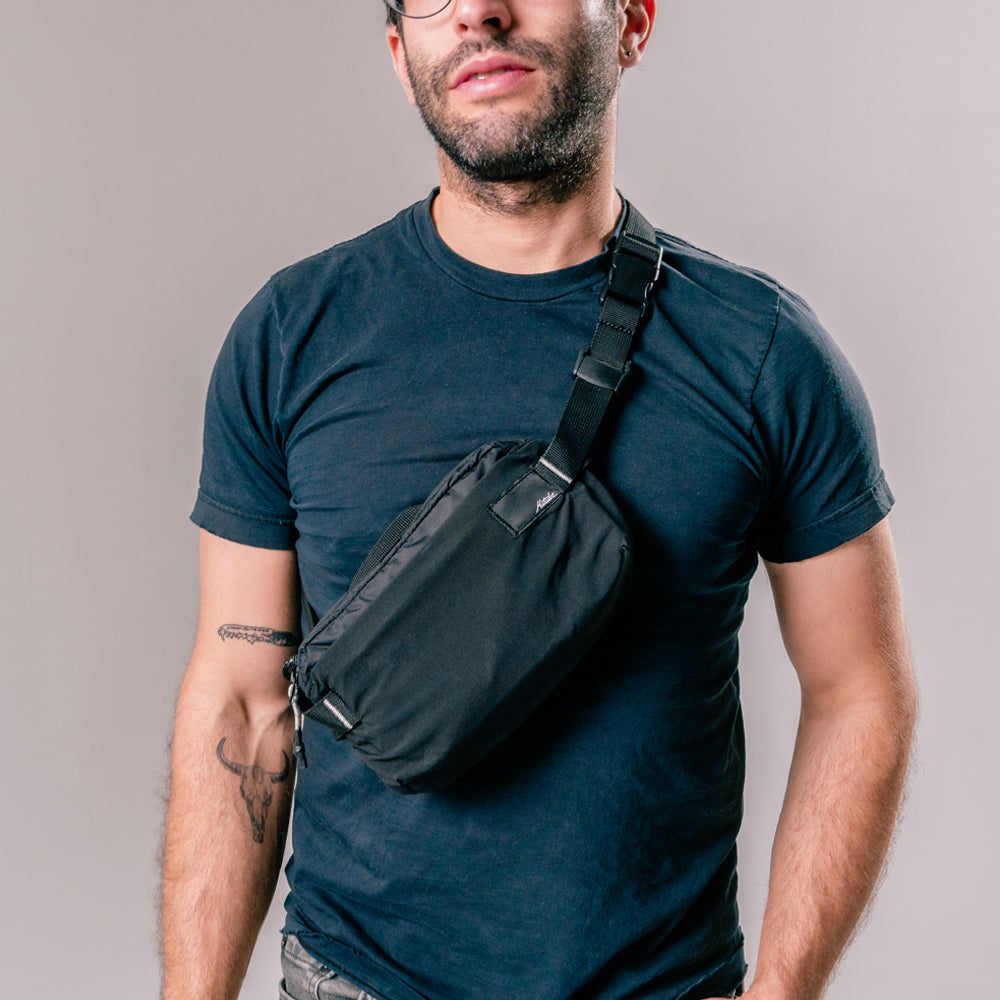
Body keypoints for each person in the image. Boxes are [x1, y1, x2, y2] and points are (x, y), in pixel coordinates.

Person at [160, 2, 917, 999]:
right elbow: (243, 697)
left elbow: (860, 688)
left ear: (635, 22)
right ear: (401, 57)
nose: (479, 10)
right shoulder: (292, 337)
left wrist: (781, 990)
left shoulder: (765, 356)